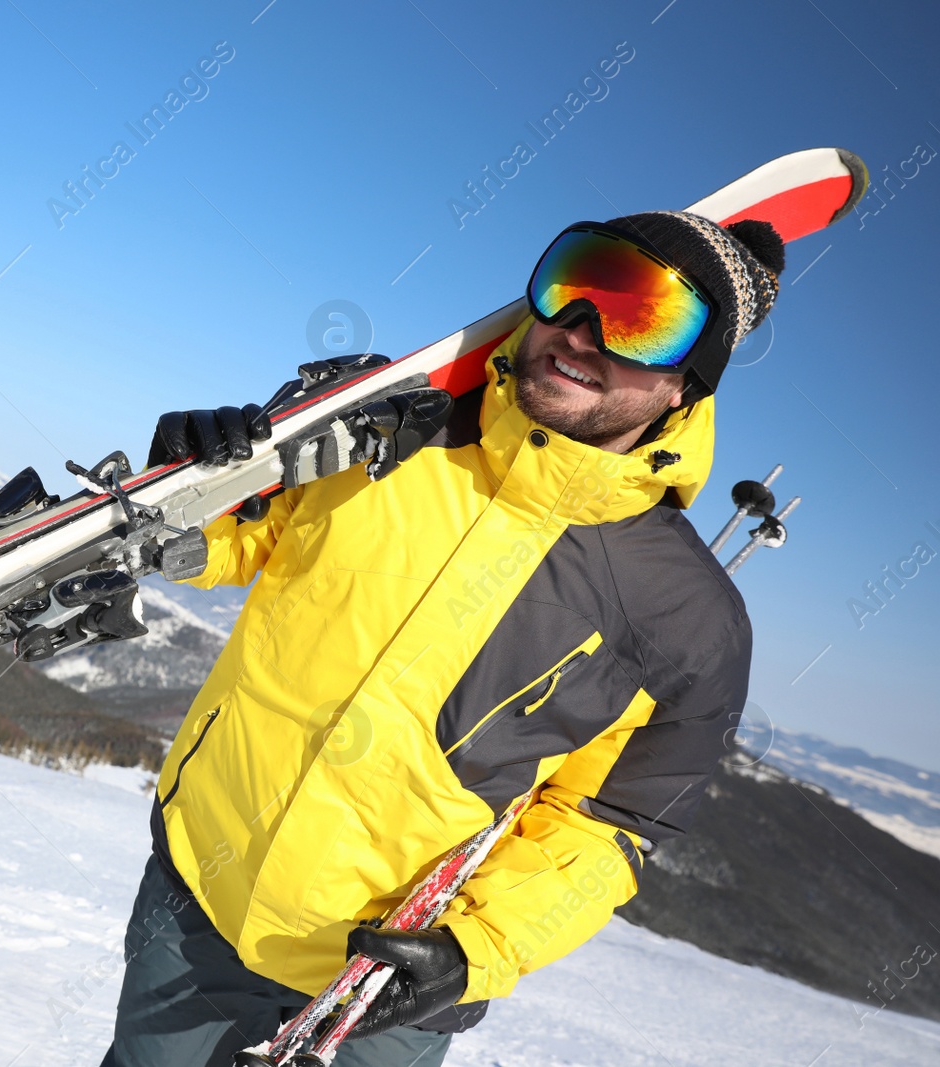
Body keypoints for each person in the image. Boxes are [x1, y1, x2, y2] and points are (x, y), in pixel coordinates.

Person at [101, 211, 786, 1066]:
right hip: (199, 890)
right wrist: (201, 489)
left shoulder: (692, 621)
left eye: (642, 321)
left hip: (383, 987)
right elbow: (260, 536)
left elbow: (606, 824)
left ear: (688, 384)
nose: (582, 333)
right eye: (576, 286)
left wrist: (476, 951)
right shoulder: (393, 431)